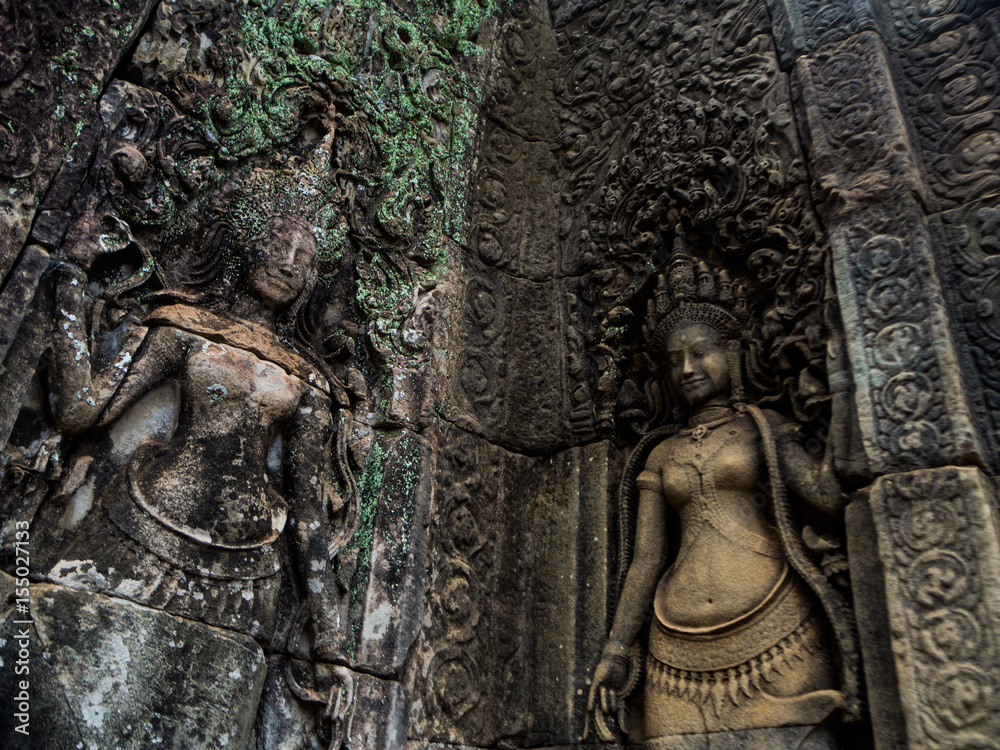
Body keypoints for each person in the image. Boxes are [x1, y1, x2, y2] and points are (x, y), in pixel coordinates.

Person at [40, 208, 354, 661]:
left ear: (309, 280)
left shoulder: (306, 380)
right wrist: (72, 274)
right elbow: (80, 412)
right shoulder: (182, 327)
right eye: (277, 244)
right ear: (244, 247)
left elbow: (308, 513)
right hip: (145, 523)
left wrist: (329, 641)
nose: (287, 263)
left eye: (302, 259)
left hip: (251, 568)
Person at [587, 248, 858, 745]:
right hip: (675, 650)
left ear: (733, 353)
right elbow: (646, 559)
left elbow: (827, 496)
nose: (687, 369)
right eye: (673, 361)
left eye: (701, 352)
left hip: (780, 627)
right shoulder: (660, 453)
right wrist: (616, 650)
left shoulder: (764, 428)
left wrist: (842, 389)